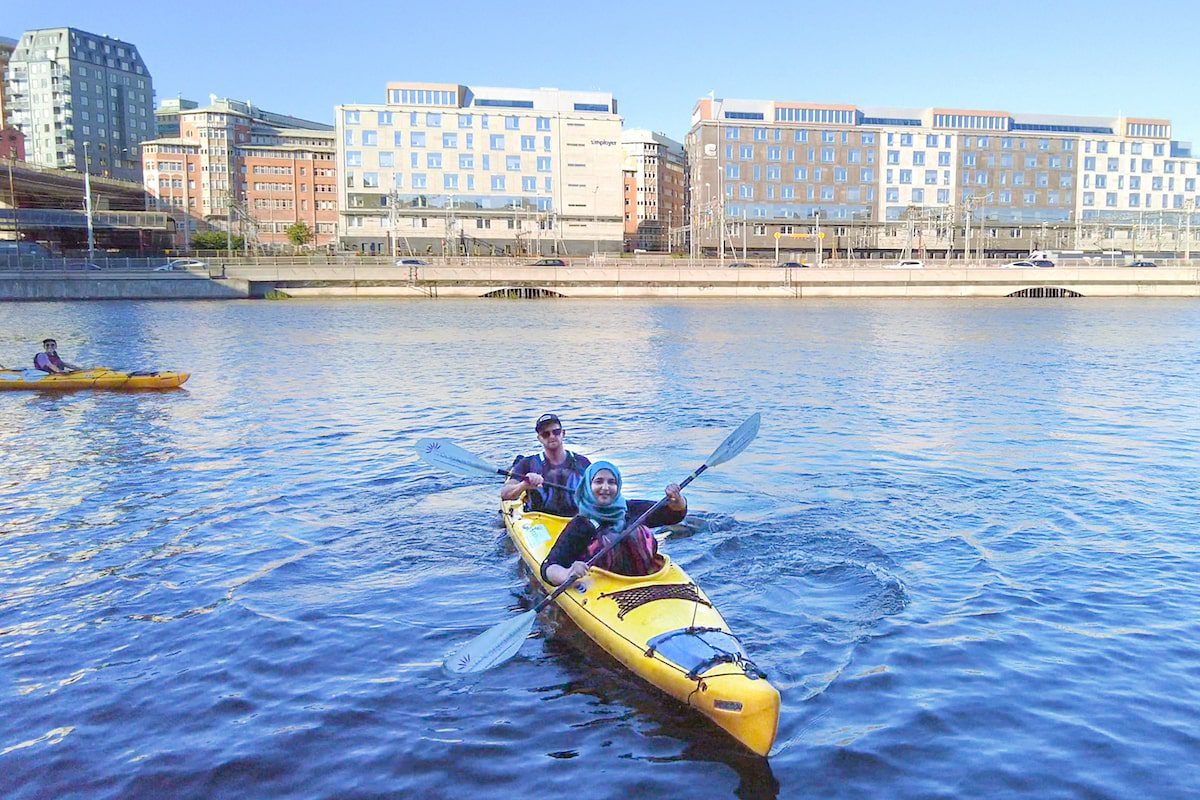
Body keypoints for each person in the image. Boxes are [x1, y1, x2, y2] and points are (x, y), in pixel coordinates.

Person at [541, 461, 686, 585]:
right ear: (588, 486)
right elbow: (549, 567)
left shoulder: (631, 509)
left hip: (648, 580)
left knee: (637, 532)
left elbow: (673, 515)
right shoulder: (581, 525)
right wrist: (567, 574)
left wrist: (678, 500)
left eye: (611, 482)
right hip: (605, 587)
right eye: (599, 481)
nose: (605, 487)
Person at [501, 413, 591, 517]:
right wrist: (524, 485)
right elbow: (505, 494)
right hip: (538, 520)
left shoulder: (582, 462)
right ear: (539, 438)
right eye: (545, 434)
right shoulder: (527, 463)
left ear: (563, 433)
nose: (552, 436)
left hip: (576, 519)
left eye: (556, 432)